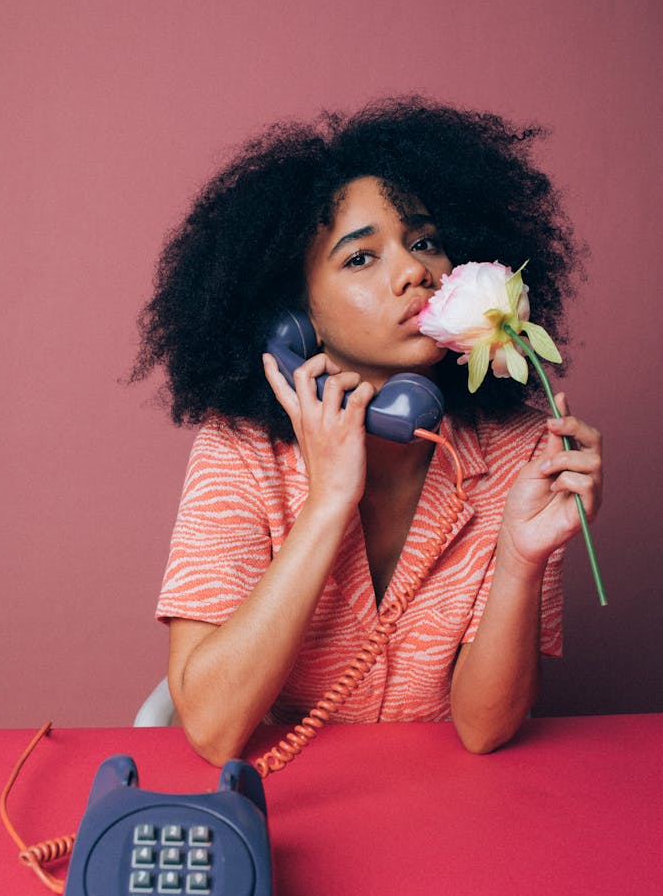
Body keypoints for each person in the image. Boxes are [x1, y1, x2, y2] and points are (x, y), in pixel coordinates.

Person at [132, 97, 602, 766]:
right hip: (296, 795)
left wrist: (522, 559)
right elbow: (211, 726)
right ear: (300, 318)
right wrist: (328, 502)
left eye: (423, 242)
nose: (414, 271)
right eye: (360, 259)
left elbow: (483, 728)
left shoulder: (523, 453)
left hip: (455, 806)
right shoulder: (238, 450)